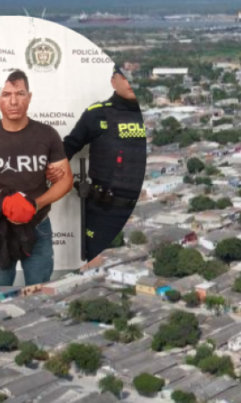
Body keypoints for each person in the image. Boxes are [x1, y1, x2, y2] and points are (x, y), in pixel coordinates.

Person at [0, 70, 73, 286]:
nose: (13, 101)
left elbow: (66, 180)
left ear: (29, 97)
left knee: (39, 290)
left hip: (38, 225)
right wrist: (3, 200)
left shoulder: (47, 134)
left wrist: (34, 204)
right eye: (6, 94)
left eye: (20, 93)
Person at [48, 65, 145, 262]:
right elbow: (68, 146)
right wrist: (48, 171)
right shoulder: (97, 114)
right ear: (113, 81)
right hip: (105, 213)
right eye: (124, 78)